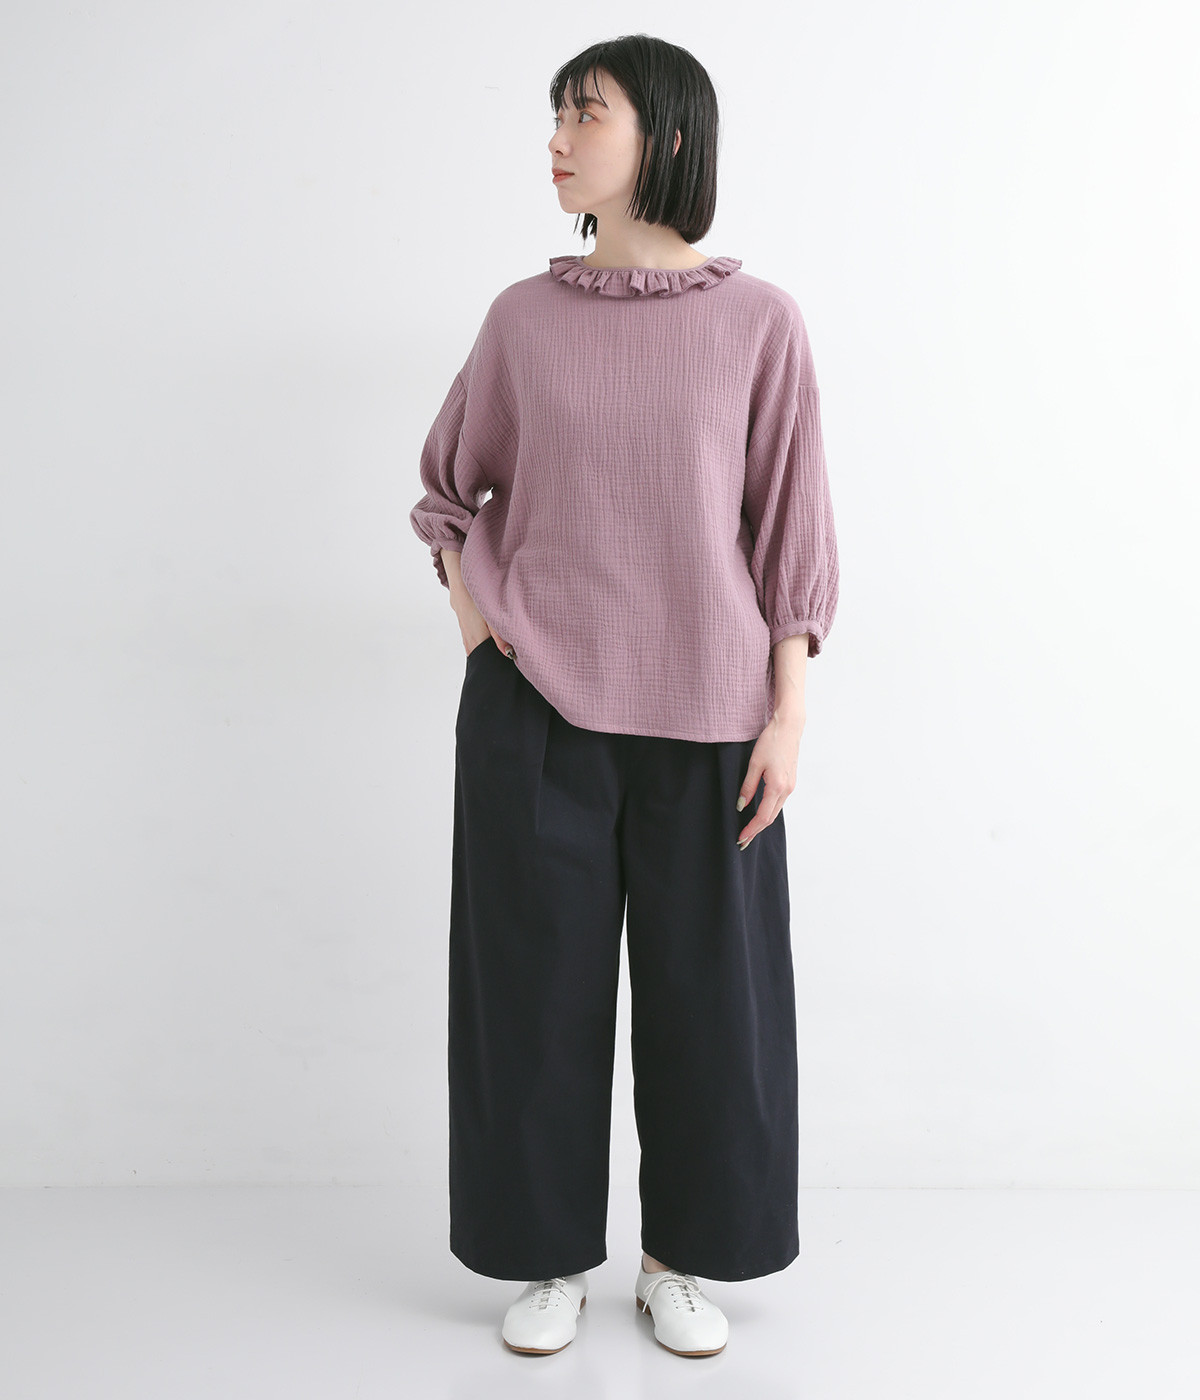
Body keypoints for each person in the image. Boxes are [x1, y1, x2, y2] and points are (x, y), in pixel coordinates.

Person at [409, 33, 839, 1358]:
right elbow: (446, 494)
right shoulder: (520, 322)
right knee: (531, 998)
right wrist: (485, 642)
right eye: (555, 114)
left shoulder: (759, 324)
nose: (556, 138)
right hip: (537, 711)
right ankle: (545, 1256)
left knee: (714, 1007)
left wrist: (789, 715)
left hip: (713, 718)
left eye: (583, 114)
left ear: (666, 135)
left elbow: (791, 534)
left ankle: (679, 1259)